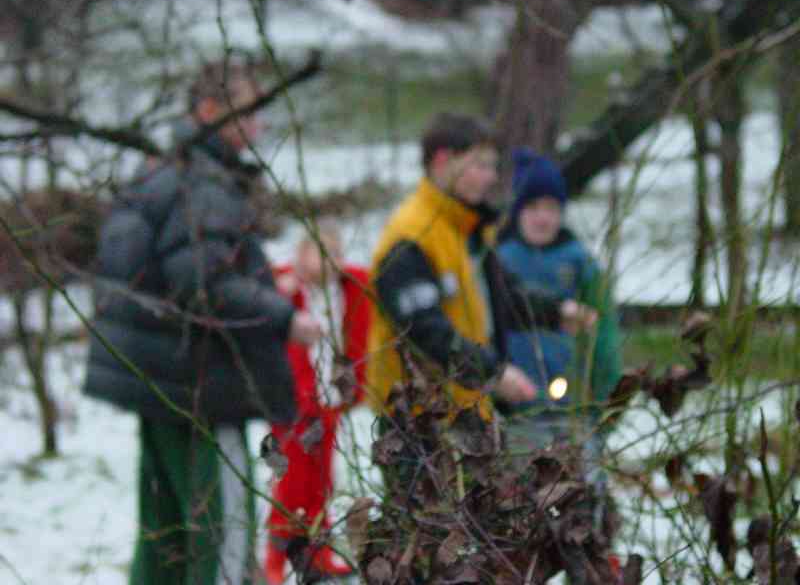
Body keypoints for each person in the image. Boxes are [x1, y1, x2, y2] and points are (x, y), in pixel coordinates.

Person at [82, 61, 321, 585]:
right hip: (202, 389)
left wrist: (258, 286)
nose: (258, 127)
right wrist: (282, 315)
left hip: (158, 383)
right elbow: (203, 285)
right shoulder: (203, 184)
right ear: (210, 111)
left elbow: (164, 277)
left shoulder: (160, 172)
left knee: (164, 537)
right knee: (222, 539)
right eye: (249, 112)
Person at [366, 113, 593, 433]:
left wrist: (555, 312)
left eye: (493, 167)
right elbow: (425, 331)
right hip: (419, 422)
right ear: (443, 161)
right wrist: (492, 373)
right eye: (481, 165)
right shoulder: (410, 237)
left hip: (468, 411)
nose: (490, 177)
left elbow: (501, 297)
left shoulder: (469, 229)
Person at [496, 148, 623, 547]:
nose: (542, 216)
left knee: (585, 501)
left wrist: (606, 394)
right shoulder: (500, 259)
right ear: (518, 210)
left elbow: (604, 337)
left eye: (551, 206)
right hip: (518, 410)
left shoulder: (581, 264)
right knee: (519, 503)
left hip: (575, 410)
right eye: (533, 206)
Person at [263, 222, 371, 585]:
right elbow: (263, 286)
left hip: (329, 401)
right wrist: (285, 280)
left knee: (324, 481)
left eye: (337, 253)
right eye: (322, 252)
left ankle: (317, 551)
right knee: (292, 481)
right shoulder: (289, 292)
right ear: (301, 255)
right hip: (292, 404)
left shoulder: (347, 288)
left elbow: (365, 282)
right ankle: (277, 557)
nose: (331, 262)